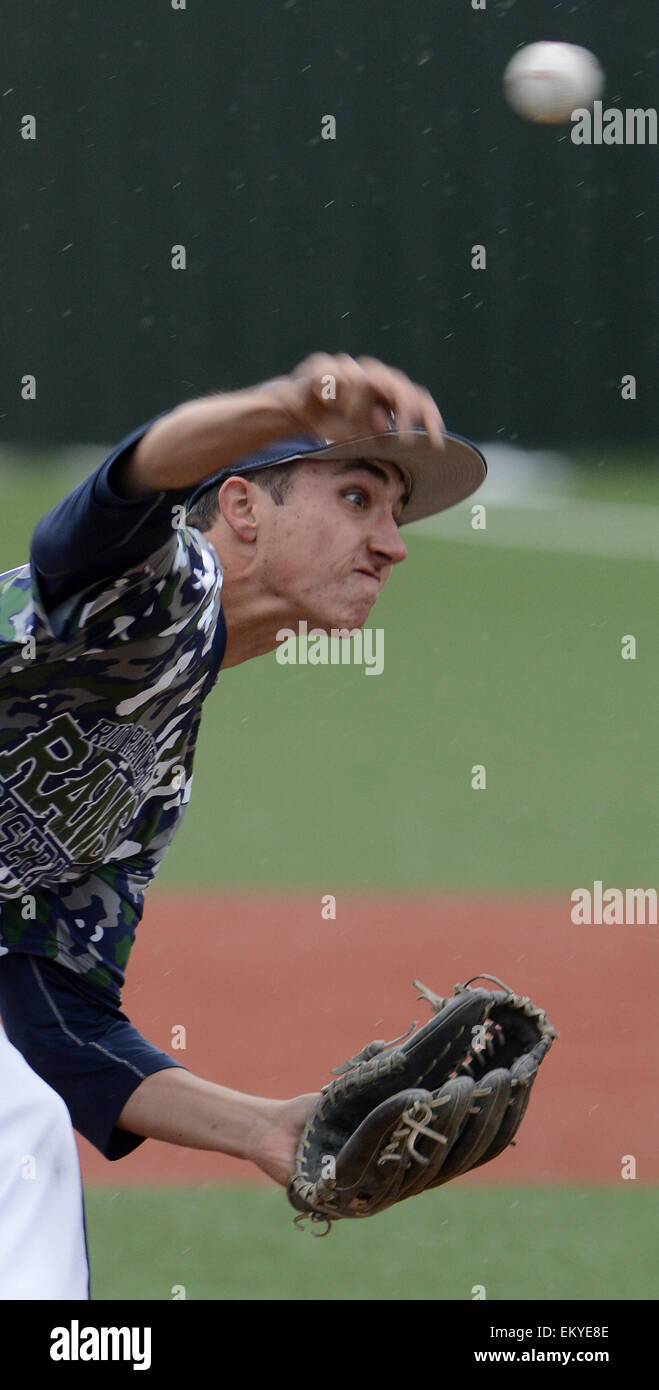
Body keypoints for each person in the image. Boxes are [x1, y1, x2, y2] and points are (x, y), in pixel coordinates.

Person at [0, 352, 486, 1291]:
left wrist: (267, 1127)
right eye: (357, 498)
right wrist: (281, 407)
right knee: (19, 1131)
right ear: (242, 507)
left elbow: (60, 1017)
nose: (392, 544)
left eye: (393, 514)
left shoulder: (155, 773)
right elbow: (118, 492)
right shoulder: (158, 594)